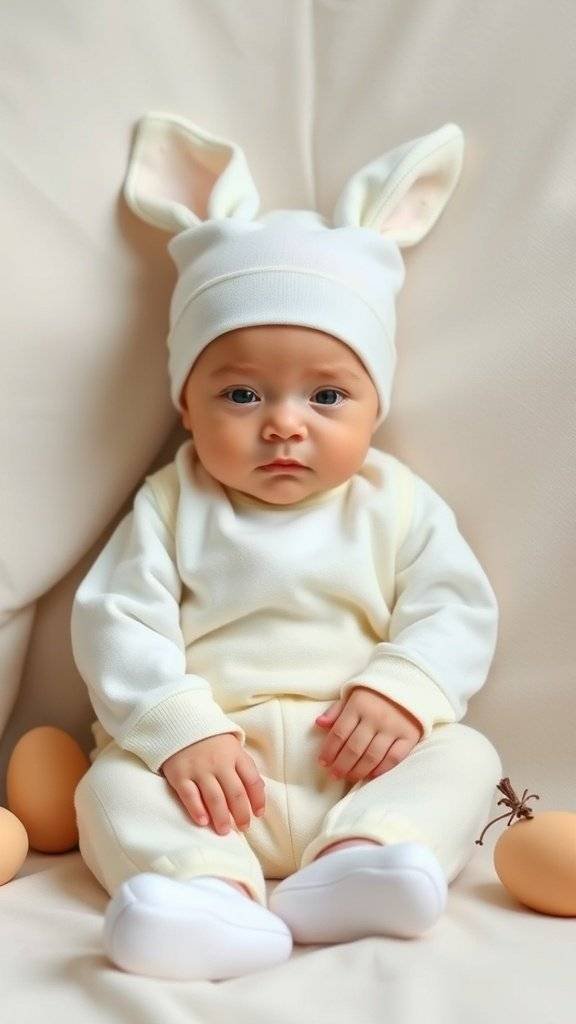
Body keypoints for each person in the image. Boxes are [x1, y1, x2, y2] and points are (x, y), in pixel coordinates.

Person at [71, 112, 502, 982]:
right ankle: (206, 898)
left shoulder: (397, 503)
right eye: (239, 392)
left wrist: (404, 693)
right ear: (185, 405)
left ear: (376, 405)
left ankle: (372, 860)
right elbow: (117, 619)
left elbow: (454, 607)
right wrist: (178, 730)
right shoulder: (171, 502)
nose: (283, 424)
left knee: (469, 757)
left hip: (357, 758)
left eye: (328, 396)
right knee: (108, 788)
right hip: (207, 773)